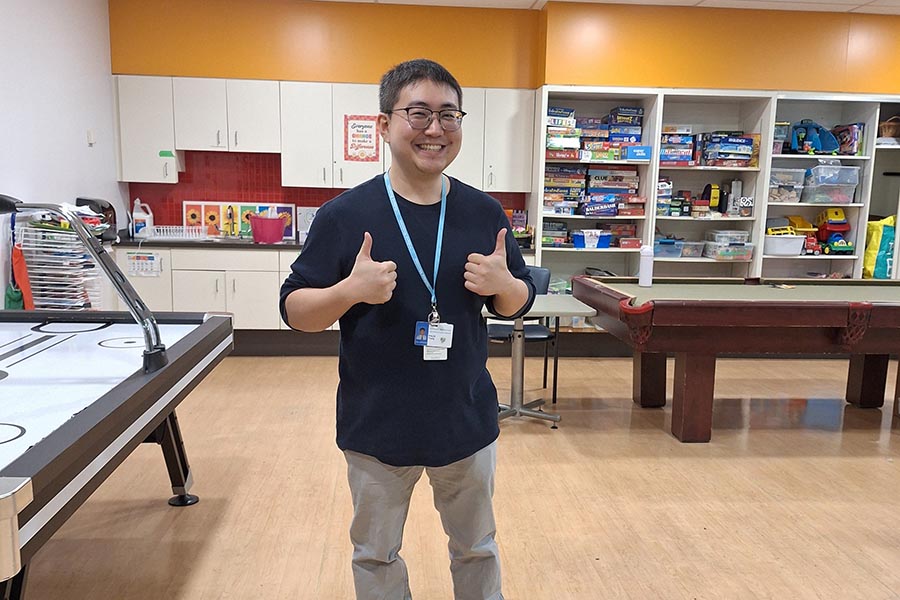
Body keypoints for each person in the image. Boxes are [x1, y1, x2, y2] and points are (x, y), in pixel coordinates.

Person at [280, 58, 534, 600]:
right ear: (384, 125)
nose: (435, 129)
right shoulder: (345, 216)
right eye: (417, 113)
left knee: (477, 547)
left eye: (449, 115)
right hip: (378, 427)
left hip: (464, 420)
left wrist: (502, 283)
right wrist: (348, 291)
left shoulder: (484, 213)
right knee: (375, 555)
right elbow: (296, 310)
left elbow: (517, 304)